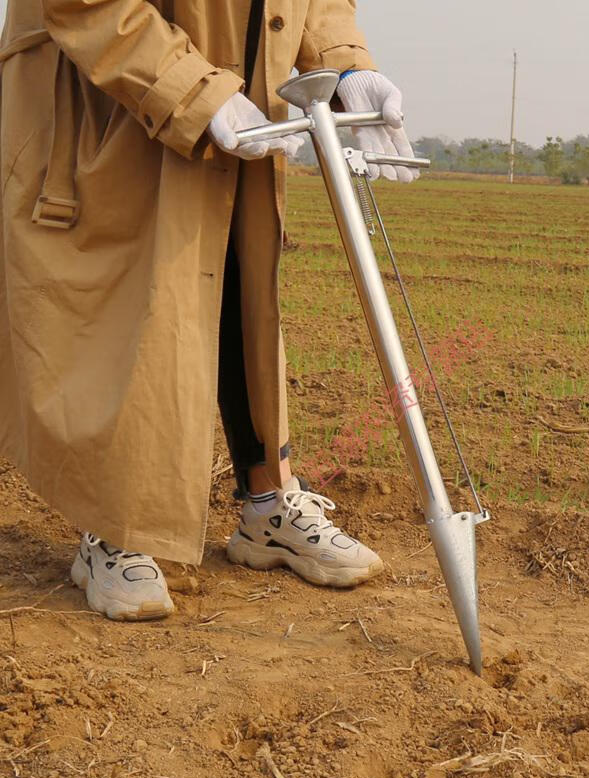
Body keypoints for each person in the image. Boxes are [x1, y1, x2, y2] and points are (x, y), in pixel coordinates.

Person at [0, 1, 419, 621]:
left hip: (244, 92)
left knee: (239, 288)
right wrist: (191, 89)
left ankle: (267, 505)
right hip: (107, 94)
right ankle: (112, 528)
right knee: (132, 305)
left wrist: (343, 64)